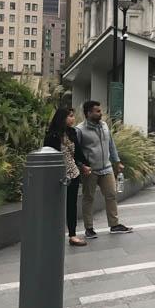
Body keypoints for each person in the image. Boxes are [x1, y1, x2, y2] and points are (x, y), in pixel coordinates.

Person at [76, 100, 133, 238]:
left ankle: (114, 225)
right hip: (90, 170)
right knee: (89, 198)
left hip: (106, 168)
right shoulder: (79, 130)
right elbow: (76, 151)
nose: (100, 113)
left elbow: (111, 144)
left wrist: (117, 161)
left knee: (111, 195)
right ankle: (89, 228)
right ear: (88, 113)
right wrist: (82, 166)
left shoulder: (104, 125)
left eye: (100, 110)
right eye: (97, 111)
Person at [44, 108, 91, 247]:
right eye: (70, 116)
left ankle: (72, 235)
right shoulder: (51, 136)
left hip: (73, 174)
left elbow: (77, 153)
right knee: (55, 206)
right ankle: (51, 233)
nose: (73, 119)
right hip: (57, 176)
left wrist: (85, 165)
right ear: (62, 118)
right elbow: (47, 156)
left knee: (71, 206)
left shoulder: (72, 132)